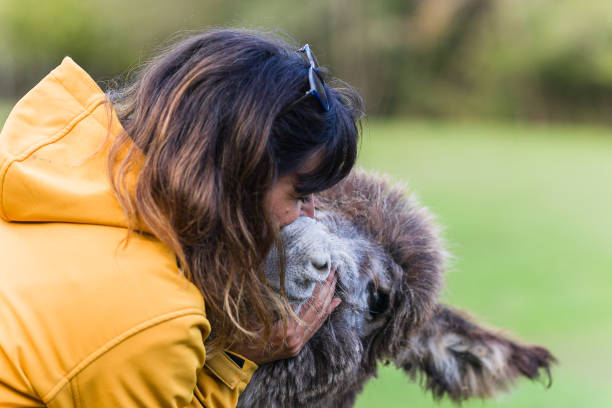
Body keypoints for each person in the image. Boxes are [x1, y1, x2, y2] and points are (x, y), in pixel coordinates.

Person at [0, 28, 363, 407]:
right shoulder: (151, 321)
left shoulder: (52, 183)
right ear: (239, 175)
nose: (310, 216)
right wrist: (235, 358)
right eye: (300, 194)